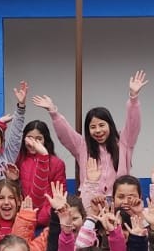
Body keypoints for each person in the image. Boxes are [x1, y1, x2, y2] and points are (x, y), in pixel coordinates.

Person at [35, 71, 146, 202]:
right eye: (92, 127)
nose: (98, 130)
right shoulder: (82, 147)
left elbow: (133, 124)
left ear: (110, 125)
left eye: (101, 125)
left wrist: (133, 98)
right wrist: (53, 112)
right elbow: (66, 134)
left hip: (118, 201)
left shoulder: (123, 142)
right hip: (90, 199)